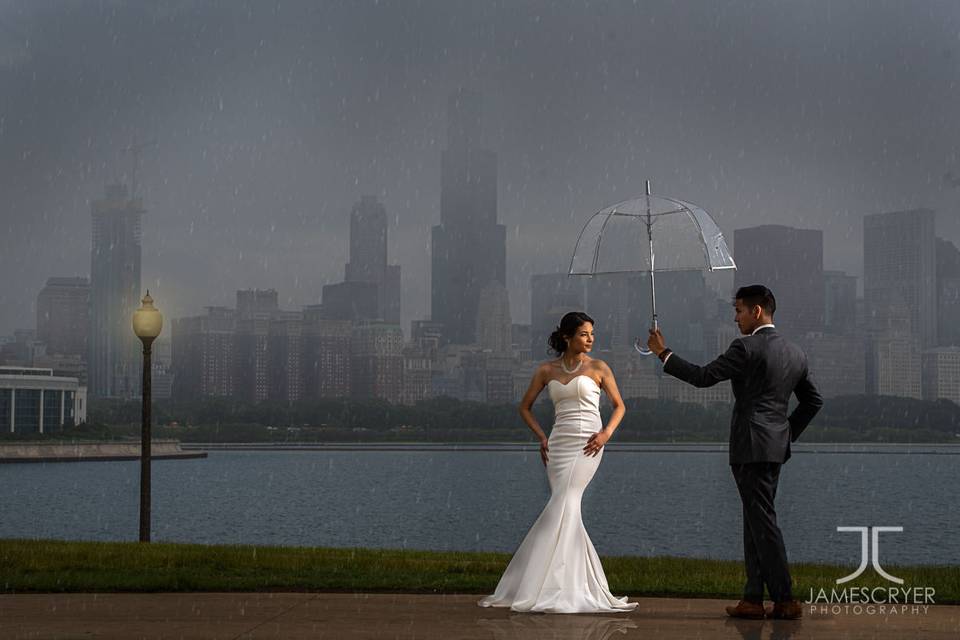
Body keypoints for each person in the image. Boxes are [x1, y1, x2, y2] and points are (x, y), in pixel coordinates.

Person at [647, 284, 823, 620]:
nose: (735, 318)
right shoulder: (796, 352)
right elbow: (813, 402)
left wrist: (663, 353)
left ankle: (785, 599)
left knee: (763, 522)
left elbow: (702, 377)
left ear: (757, 311)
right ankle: (753, 598)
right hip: (773, 447)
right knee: (755, 519)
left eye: (739, 310)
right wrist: (785, 434)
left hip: (749, 447)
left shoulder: (745, 348)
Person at [479, 311, 637, 613]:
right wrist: (541, 436)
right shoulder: (546, 370)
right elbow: (524, 408)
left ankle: (548, 585)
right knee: (566, 509)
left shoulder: (599, 367)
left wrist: (606, 434)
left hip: (590, 445)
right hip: (559, 445)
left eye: (592, 333)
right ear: (567, 336)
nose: (590, 338)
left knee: (565, 503)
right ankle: (569, 585)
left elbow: (620, 406)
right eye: (584, 333)